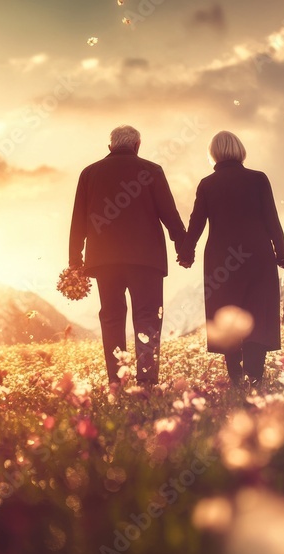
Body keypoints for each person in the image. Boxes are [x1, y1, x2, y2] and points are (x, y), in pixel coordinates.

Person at [69, 125, 187, 385]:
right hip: (146, 261)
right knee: (147, 318)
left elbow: (78, 222)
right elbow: (169, 214)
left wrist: (75, 262)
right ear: (137, 146)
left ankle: (117, 381)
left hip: (104, 261)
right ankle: (146, 383)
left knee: (111, 317)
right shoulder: (152, 171)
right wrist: (184, 247)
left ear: (110, 146)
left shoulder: (89, 173)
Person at [177, 131, 284, 385]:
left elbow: (196, 223)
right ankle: (255, 376)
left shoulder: (207, 184)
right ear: (240, 150)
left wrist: (186, 253)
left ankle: (236, 377)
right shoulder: (258, 179)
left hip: (221, 261)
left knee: (226, 314)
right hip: (258, 256)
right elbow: (272, 219)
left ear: (214, 154)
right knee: (258, 312)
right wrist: (282, 253)